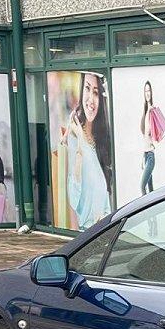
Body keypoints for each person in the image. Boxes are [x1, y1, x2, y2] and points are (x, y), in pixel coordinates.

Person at [60, 71, 113, 228]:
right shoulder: (74, 136)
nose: (91, 99)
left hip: (104, 227)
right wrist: (80, 142)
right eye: (87, 89)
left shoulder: (102, 138)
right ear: (81, 89)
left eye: (96, 93)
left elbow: (105, 196)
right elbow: (74, 196)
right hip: (87, 232)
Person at [139, 80, 161, 195]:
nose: (147, 93)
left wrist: (154, 142)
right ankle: (154, 212)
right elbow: (144, 135)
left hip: (151, 155)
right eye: (145, 91)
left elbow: (151, 132)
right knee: (150, 189)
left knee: (142, 186)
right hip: (145, 154)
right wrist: (142, 157)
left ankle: (145, 211)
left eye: (149, 90)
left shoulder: (151, 110)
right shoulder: (145, 110)